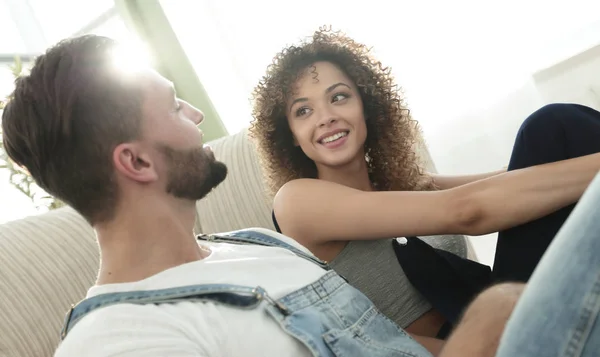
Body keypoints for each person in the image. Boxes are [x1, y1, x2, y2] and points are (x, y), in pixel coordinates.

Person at [2, 33, 599, 357]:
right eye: (174, 106)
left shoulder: (259, 246)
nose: (197, 115)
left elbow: (381, 336)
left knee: (552, 139)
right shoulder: (119, 341)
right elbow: (467, 212)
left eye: (340, 97)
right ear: (134, 160)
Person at [249, 26, 600, 339]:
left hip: (507, 308)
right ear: (291, 136)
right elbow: (468, 211)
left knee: (551, 132)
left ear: (366, 106)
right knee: (552, 126)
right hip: (476, 343)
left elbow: (519, 176)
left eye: (339, 96)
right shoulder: (297, 202)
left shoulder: (400, 186)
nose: (326, 117)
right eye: (303, 111)